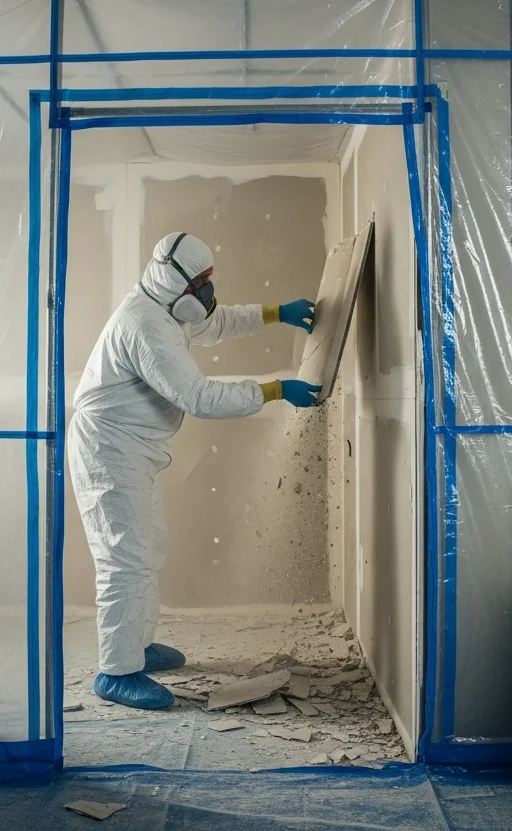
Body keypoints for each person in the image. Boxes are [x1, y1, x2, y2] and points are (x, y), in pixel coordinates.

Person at [70, 231, 322, 710]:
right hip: (108, 448)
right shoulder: (144, 326)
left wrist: (275, 314)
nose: (207, 293)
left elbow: (215, 323)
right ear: (173, 280)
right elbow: (199, 397)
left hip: (135, 447)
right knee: (125, 558)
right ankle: (115, 671)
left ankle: (136, 648)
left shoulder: (167, 306)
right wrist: (274, 390)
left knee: (150, 548)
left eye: (210, 281)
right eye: (200, 284)